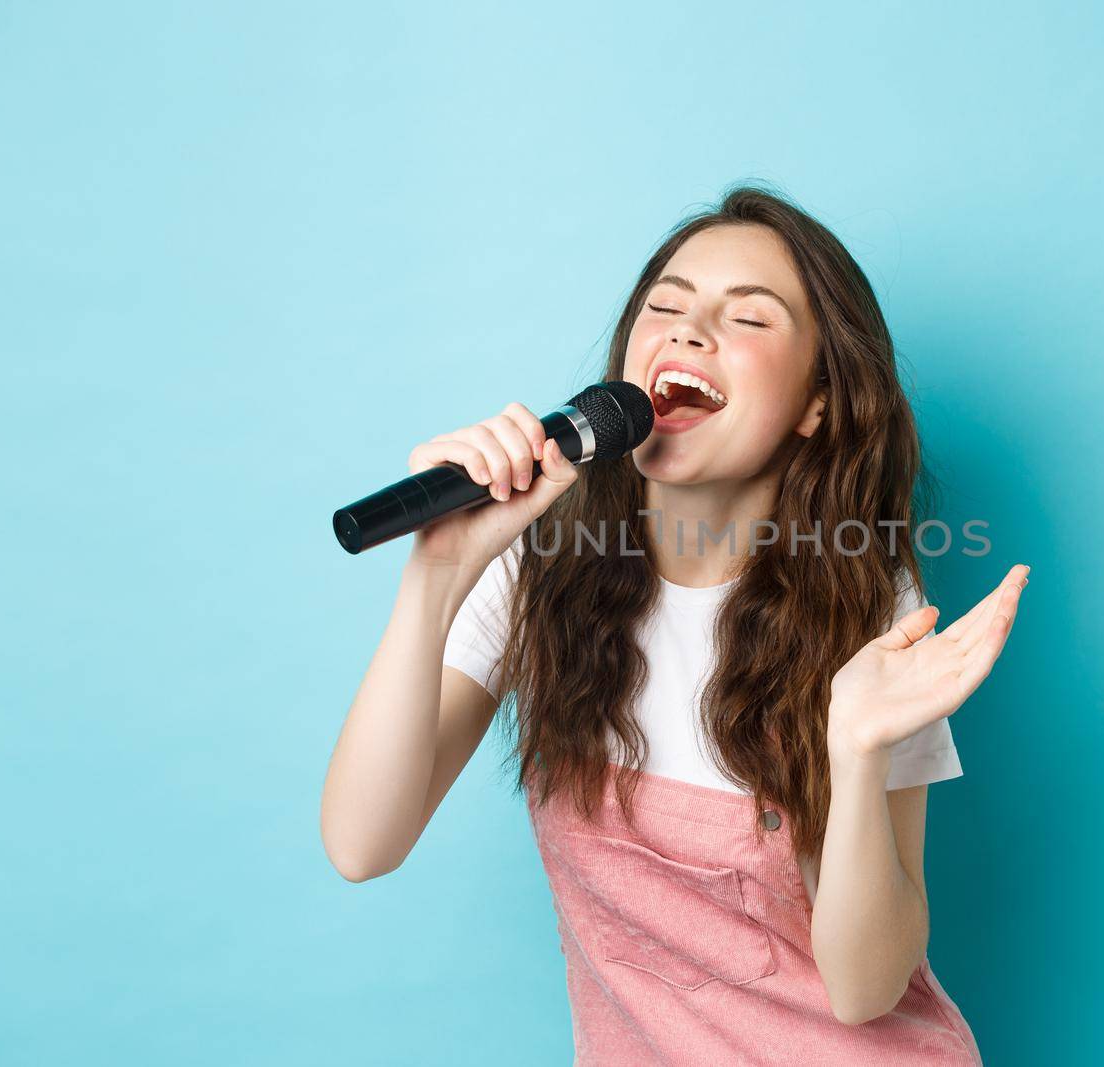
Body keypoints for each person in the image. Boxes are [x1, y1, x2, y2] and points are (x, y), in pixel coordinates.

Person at [321, 184, 1029, 1065]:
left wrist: (854, 750)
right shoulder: (540, 559)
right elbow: (361, 842)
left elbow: (866, 987)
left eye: (750, 319)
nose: (690, 332)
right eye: (665, 307)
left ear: (818, 401)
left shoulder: (865, 596)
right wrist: (436, 578)